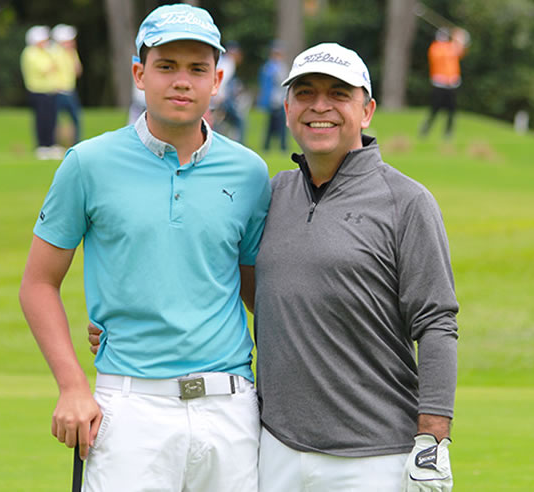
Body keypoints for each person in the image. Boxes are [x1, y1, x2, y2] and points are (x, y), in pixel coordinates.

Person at [89, 43, 460, 492]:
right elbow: (229, 281)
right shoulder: (272, 194)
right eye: (305, 94)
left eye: (339, 94)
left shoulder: (406, 201)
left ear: (366, 111)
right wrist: (131, 319)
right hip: (276, 449)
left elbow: (436, 322)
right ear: (287, 109)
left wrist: (432, 437)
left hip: (375, 453)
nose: (320, 107)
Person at [19, 3, 270, 492]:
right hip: (129, 405)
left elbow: (260, 293)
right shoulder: (87, 164)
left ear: (216, 79)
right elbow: (38, 284)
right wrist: (72, 386)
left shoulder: (250, 173)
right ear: (140, 73)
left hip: (231, 406)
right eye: (166, 66)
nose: (182, 81)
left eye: (198, 69)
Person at [419, 27, 470, 140]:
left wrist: (461, 38)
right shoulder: (435, 48)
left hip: (452, 84)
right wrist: (458, 39)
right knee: (435, 109)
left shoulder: (450, 47)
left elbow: (461, 51)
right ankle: (426, 129)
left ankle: (448, 132)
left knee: (452, 110)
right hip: (439, 83)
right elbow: (447, 53)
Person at [20, 25, 62, 159]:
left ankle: (51, 144)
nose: (46, 42)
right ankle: (42, 146)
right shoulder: (30, 53)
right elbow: (46, 69)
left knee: (52, 119)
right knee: (42, 119)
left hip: (50, 91)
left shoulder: (44, 52)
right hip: (38, 92)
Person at [51, 23, 83, 145]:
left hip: (70, 90)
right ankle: (55, 144)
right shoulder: (53, 52)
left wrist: (72, 55)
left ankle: (76, 142)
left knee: (76, 118)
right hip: (57, 91)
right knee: (54, 120)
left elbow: (78, 71)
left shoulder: (72, 53)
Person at [211, 40, 247, 143]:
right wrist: (218, 97)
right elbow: (222, 80)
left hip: (216, 97)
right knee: (239, 121)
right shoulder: (229, 63)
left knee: (220, 122)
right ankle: (240, 143)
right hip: (221, 98)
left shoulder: (222, 60)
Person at [257, 41, 288, 151]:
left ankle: (268, 146)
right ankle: (281, 146)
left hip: (274, 99)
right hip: (276, 99)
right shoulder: (274, 67)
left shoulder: (268, 67)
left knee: (273, 125)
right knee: (279, 125)